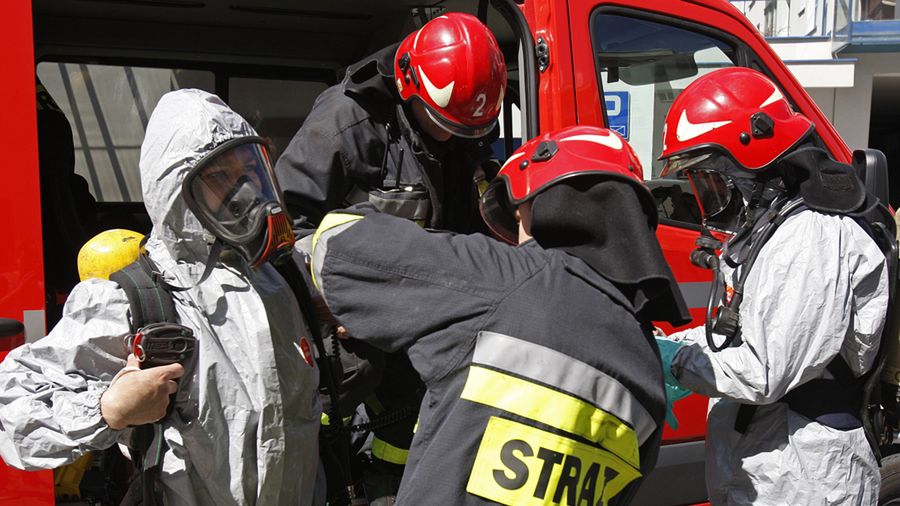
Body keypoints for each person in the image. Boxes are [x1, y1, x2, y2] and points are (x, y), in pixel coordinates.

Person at [308, 125, 691, 504]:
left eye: (517, 211)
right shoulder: (647, 369)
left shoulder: (501, 279)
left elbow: (336, 243)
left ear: (539, 204)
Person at [0, 89, 323, 505]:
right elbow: (13, 406)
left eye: (250, 171)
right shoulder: (133, 299)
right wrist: (109, 410)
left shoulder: (282, 280)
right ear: (175, 191)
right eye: (220, 177)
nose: (245, 192)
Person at [274, 11, 507, 502]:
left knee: (415, 425)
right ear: (408, 85)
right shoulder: (347, 123)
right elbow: (283, 228)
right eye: (442, 123)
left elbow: (466, 227)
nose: (451, 137)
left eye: (463, 129)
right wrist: (331, 303)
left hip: (421, 316)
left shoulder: (462, 132)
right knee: (336, 399)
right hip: (344, 322)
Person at [655, 67, 890, 505]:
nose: (703, 193)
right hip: (768, 459)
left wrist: (676, 361)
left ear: (751, 163)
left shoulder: (814, 235)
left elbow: (765, 370)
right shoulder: (769, 230)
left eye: (709, 177)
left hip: (807, 471)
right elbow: (733, 333)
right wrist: (662, 346)